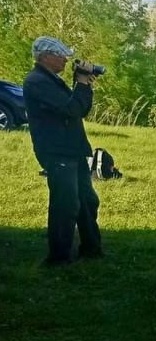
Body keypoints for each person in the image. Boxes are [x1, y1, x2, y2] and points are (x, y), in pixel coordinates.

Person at [22, 36, 103, 266]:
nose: (66, 60)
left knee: (87, 201)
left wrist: (84, 83)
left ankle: (91, 249)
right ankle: (58, 258)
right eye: (61, 55)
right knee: (65, 204)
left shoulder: (52, 80)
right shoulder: (37, 81)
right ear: (46, 56)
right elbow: (71, 109)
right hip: (57, 151)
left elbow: (80, 110)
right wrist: (80, 83)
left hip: (72, 149)